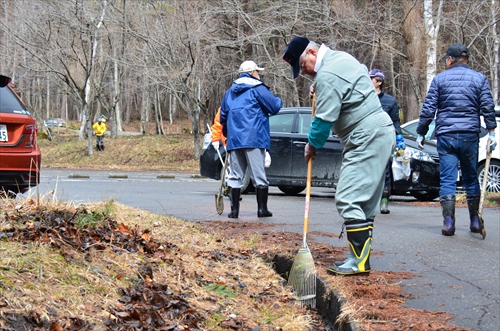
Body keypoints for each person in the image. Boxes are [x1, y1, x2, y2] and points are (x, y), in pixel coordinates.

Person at [283, 37, 394, 276]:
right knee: (364, 202)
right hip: (378, 131)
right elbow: (352, 82)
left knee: (348, 197)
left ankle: (359, 262)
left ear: (311, 52)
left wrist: (311, 145)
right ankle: (359, 259)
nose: (305, 74)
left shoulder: (328, 76)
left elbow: (323, 120)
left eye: (303, 67)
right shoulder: (341, 59)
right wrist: (320, 85)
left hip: (367, 135)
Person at [416, 43, 497, 236]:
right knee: (470, 178)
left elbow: (428, 109)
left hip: (447, 136)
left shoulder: (440, 80)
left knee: (448, 179)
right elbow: (487, 105)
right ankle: (475, 220)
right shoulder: (480, 79)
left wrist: (422, 131)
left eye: (446, 59)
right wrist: (492, 132)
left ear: (450, 60)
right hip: (469, 135)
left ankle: (449, 223)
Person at [220, 60, 282, 218]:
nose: (259, 74)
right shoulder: (258, 88)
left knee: (235, 175)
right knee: (258, 175)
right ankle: (262, 209)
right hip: (254, 138)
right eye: (257, 72)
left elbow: (223, 116)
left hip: (235, 140)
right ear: (253, 73)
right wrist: (279, 99)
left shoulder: (230, 92)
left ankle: (234, 211)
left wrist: (227, 135)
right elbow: (274, 106)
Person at [369, 69, 405, 214]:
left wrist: (399, 137)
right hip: (368, 140)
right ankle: (368, 201)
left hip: (384, 141)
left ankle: (384, 202)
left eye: (371, 78)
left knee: (385, 172)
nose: (368, 80)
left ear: (379, 81)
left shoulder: (389, 101)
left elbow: (395, 121)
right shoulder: (364, 98)